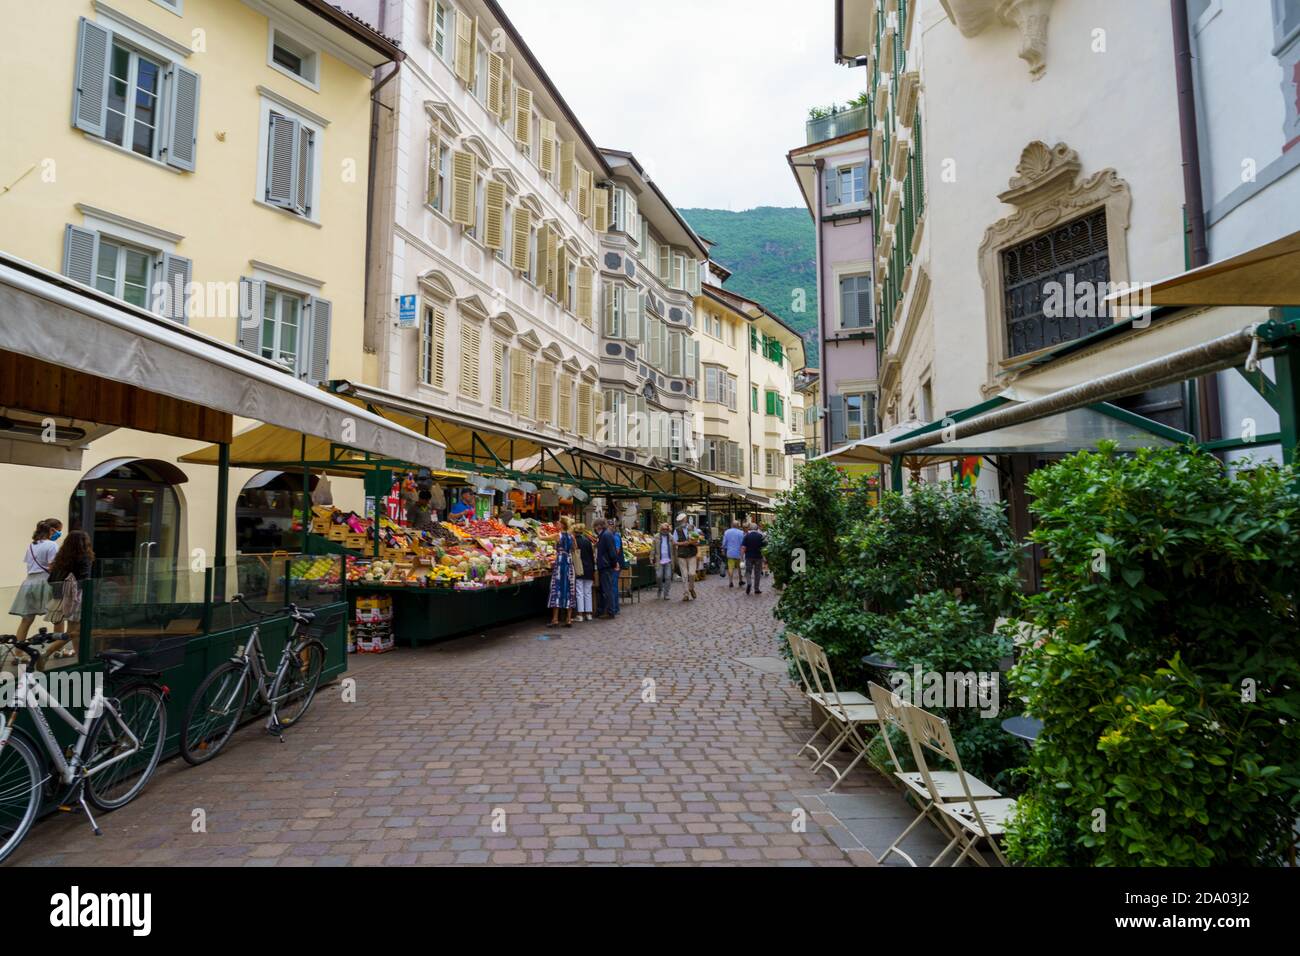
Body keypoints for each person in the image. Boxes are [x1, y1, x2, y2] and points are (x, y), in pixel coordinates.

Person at [41, 530, 94, 662]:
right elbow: (85, 580)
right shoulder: (84, 557)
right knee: (74, 632)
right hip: (77, 599)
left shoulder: (60, 558)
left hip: (62, 598)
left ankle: (80, 658)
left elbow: (51, 580)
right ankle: (47, 653)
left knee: (74, 632)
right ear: (85, 543)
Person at [8, 519, 63, 642]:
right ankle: (58, 649)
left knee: (26, 620)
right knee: (57, 616)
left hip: (29, 582)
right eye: (59, 531)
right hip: (46, 581)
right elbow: (52, 566)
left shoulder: (32, 545)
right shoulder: (52, 545)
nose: (59, 534)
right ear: (52, 530)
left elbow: (30, 565)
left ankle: (18, 653)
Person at [547, 516, 577, 627]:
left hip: (560, 563)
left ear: (563, 525)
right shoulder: (571, 536)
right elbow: (575, 548)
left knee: (557, 587)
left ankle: (555, 619)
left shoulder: (557, 535)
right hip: (569, 564)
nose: (557, 524)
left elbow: (542, 538)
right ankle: (568, 619)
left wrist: (537, 531)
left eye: (559, 523)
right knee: (569, 589)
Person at [594, 518, 621, 619]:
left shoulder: (606, 535)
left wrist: (614, 564)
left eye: (595, 527)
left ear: (598, 526)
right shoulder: (604, 535)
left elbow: (612, 552)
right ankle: (605, 610)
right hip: (604, 565)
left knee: (607, 589)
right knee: (605, 589)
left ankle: (610, 611)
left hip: (606, 566)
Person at [673, 513, 700, 602]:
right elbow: (674, 542)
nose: (681, 522)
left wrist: (692, 543)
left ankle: (691, 588)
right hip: (681, 554)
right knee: (684, 575)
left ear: (686, 519)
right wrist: (683, 543)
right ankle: (686, 594)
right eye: (680, 521)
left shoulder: (692, 527)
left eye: (682, 520)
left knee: (692, 573)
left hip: (692, 554)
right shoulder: (677, 530)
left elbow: (698, 541)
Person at [574, 523, 595, 622]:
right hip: (589, 568)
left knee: (579, 592)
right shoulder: (587, 541)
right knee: (588, 592)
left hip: (579, 568)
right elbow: (592, 556)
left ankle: (580, 614)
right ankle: (589, 614)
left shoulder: (574, 542)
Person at [653, 522, 676, 600]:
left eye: (666, 529)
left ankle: (666, 594)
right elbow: (652, 549)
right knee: (659, 576)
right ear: (660, 529)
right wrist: (651, 557)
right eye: (663, 529)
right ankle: (660, 589)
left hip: (669, 560)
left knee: (668, 577)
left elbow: (674, 549)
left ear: (668, 530)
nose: (665, 530)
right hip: (659, 560)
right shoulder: (656, 537)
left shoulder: (671, 537)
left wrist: (675, 560)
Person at [742, 522, 767, 595]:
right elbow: (764, 548)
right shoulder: (761, 536)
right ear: (757, 528)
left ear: (750, 528)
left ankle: (749, 582)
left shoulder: (747, 536)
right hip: (758, 557)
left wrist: (741, 557)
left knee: (748, 571)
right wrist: (765, 557)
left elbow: (743, 547)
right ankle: (756, 589)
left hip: (749, 557)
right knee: (757, 573)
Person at [721, 519, 745, 589]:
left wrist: (723, 548)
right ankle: (740, 580)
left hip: (730, 552)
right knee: (740, 567)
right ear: (738, 526)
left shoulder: (727, 532)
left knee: (730, 567)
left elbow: (724, 542)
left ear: (732, 525)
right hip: (739, 553)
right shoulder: (741, 533)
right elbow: (743, 543)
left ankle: (730, 581)